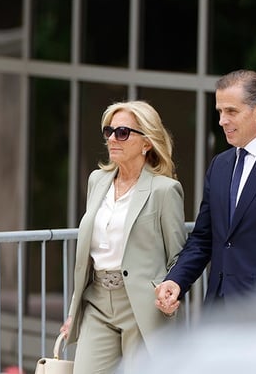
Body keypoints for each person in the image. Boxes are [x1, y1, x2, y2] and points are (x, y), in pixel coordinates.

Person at [154, 69, 256, 315]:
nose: (222, 120)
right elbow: (203, 238)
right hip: (218, 309)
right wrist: (176, 280)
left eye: (231, 111)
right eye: (220, 111)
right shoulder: (220, 165)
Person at [60, 100, 186, 374]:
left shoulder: (165, 190)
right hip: (97, 302)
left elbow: (178, 256)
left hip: (142, 307)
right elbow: (87, 260)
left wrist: (171, 295)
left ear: (146, 143)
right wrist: (74, 312)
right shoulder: (97, 180)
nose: (112, 139)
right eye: (109, 131)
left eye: (123, 132)